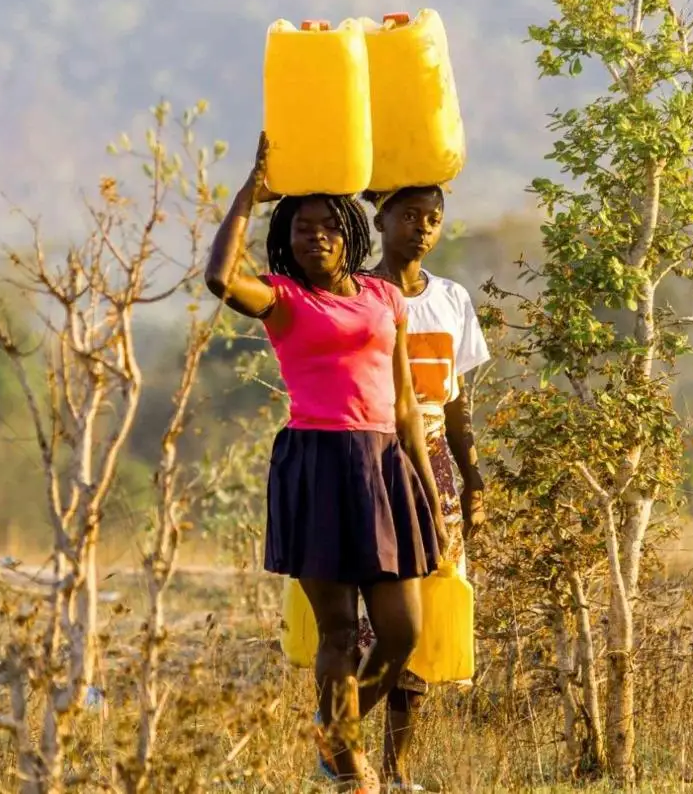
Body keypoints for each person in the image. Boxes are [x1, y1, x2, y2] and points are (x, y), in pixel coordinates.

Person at [204, 135, 449, 794]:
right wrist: (251, 196)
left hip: (385, 464)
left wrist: (428, 497)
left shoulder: (384, 297)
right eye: (302, 229)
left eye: (327, 228)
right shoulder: (283, 299)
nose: (315, 238)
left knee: (401, 633)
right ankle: (348, 766)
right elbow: (221, 279)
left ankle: (331, 732)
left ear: (349, 234)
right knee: (338, 632)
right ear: (289, 239)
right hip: (316, 463)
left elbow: (404, 406)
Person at [354, 185, 491, 792]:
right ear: (379, 218)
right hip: (370, 453)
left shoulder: (452, 300)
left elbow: (457, 407)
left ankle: (397, 766)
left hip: (432, 457)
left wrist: (472, 479)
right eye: (409, 216)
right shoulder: (356, 294)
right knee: (371, 613)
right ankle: (341, 745)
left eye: (433, 219)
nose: (422, 229)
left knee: (428, 608)